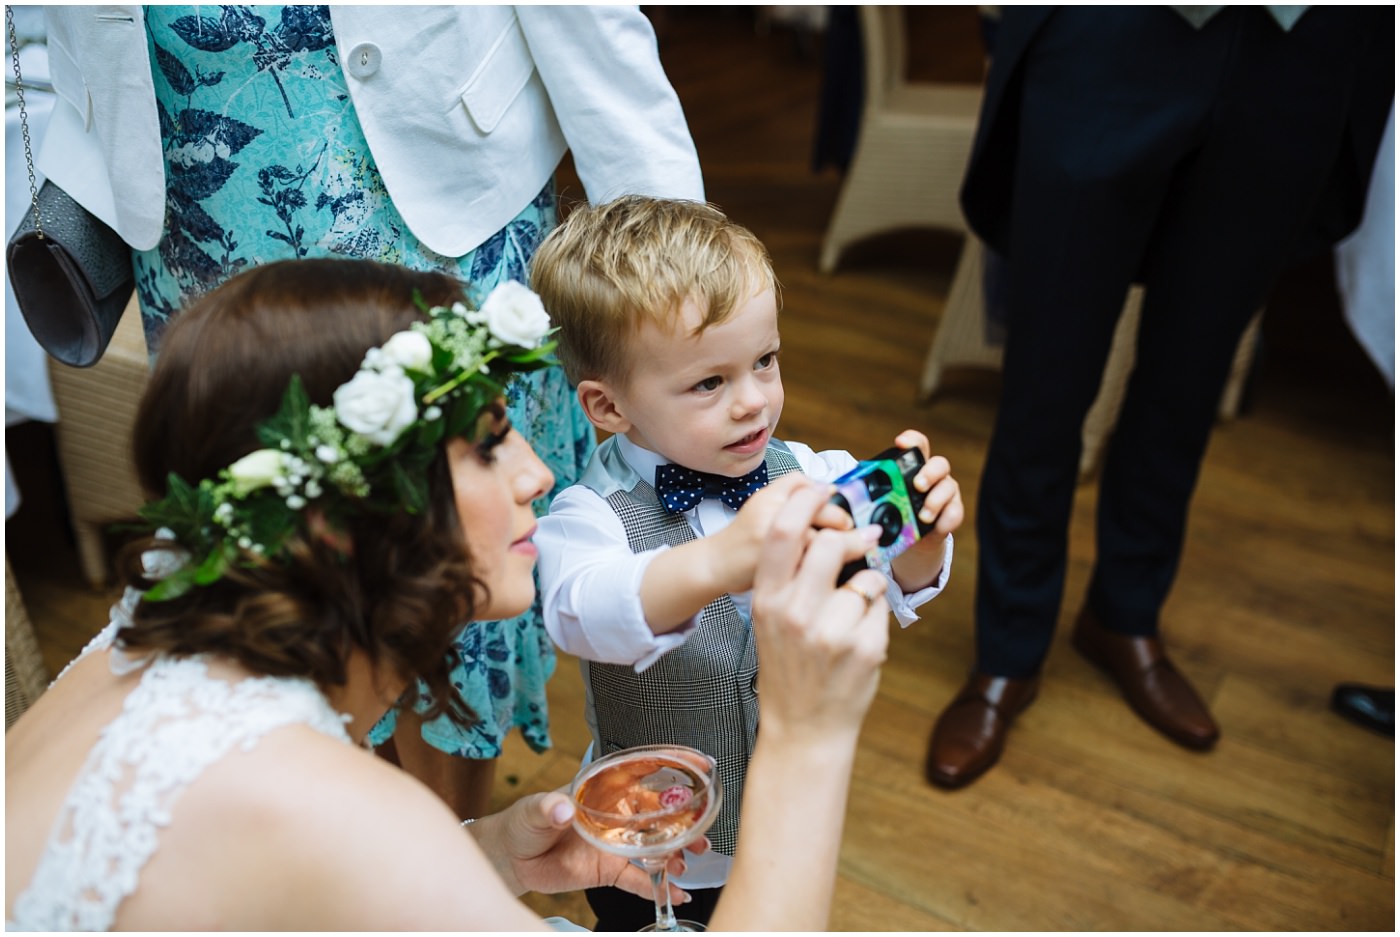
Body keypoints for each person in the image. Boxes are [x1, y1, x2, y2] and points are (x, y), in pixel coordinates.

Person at [5, 257, 897, 931]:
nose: (540, 474)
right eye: (487, 444)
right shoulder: (330, 806)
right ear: (348, 511)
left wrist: (489, 856)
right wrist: (810, 734)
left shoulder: (146, 628)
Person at [37, 4, 705, 821]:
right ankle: (326, 852)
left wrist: (687, 314)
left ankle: (435, 859)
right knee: (281, 571)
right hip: (202, 220)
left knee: (450, 553)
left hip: (431, 208)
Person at [925, 6, 1394, 789]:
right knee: (1047, 380)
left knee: (1190, 379)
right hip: (1113, 31)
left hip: (1302, 43)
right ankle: (1006, 652)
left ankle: (1124, 614)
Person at [529, 196, 965, 929]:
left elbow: (893, 582)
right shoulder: (589, 516)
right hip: (651, 849)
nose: (755, 401)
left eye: (765, 360)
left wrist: (922, 539)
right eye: (710, 382)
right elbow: (583, 611)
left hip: (780, 816)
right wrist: (725, 556)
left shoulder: (810, 470)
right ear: (608, 406)